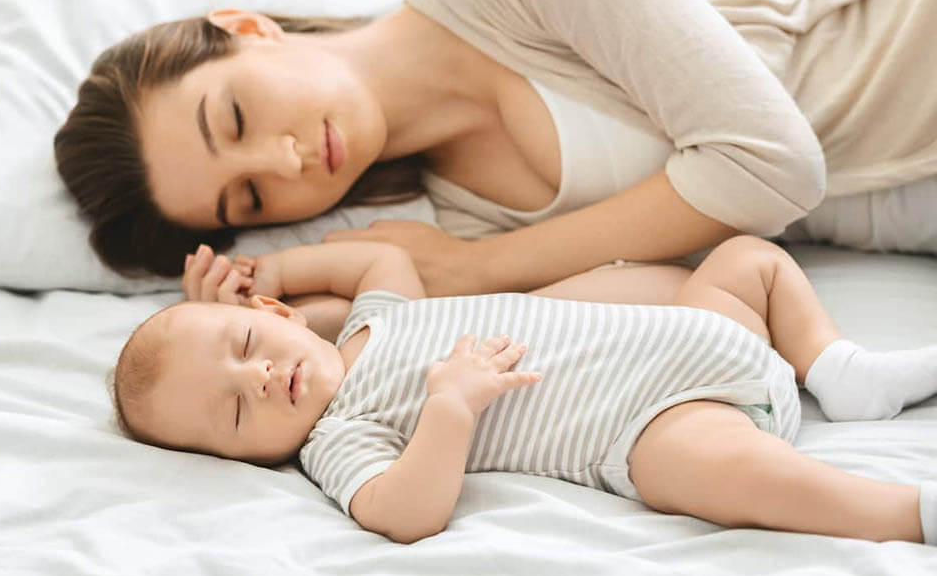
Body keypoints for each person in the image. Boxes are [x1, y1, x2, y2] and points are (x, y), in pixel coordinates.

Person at [55, 0, 937, 296]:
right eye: (247, 200)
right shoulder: (461, 224)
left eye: (236, 118)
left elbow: (774, 164)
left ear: (246, 28)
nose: (284, 165)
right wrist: (240, 306)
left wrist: (474, 271)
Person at [113, 234, 937, 545]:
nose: (260, 380)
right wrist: (450, 407)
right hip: (655, 421)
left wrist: (271, 271)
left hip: (708, 330)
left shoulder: (377, 321)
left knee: (747, 258)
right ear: (238, 457)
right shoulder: (338, 437)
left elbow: (379, 260)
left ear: (274, 314)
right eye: (233, 410)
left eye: (248, 344)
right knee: (703, 472)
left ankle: (837, 370)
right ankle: (902, 512)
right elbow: (402, 510)